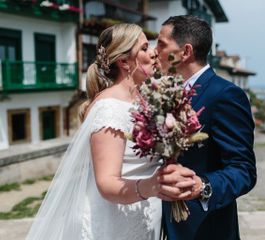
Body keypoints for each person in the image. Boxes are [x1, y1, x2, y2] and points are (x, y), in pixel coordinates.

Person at [26, 23, 195, 240]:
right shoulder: (109, 108)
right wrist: (152, 186)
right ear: (124, 61)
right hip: (115, 222)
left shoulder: (147, 100)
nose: (153, 53)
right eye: (144, 48)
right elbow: (106, 183)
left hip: (146, 211)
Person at [156, 15, 257, 239]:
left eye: (161, 44)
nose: (155, 51)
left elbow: (244, 170)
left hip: (203, 229)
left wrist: (203, 187)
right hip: (160, 225)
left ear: (185, 52)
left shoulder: (225, 95)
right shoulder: (164, 94)